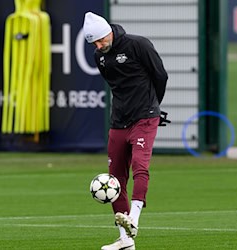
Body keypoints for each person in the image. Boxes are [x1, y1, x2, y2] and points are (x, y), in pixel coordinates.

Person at [83, 12, 169, 250]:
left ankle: (134, 219)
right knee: (115, 178)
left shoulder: (138, 44)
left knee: (140, 166)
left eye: (101, 40)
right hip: (119, 121)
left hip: (145, 117)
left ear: (109, 31)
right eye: (94, 44)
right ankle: (125, 239)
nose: (99, 47)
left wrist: (153, 106)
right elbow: (116, 87)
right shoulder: (98, 57)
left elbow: (160, 75)